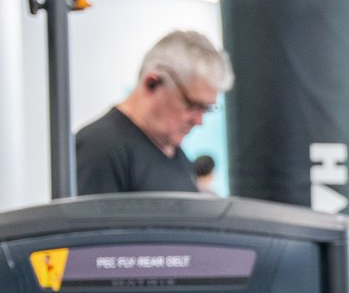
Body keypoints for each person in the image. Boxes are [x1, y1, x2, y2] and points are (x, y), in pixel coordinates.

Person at [75, 30, 233, 196]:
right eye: (192, 105)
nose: (199, 120)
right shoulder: (101, 148)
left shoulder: (175, 154)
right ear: (152, 83)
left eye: (206, 109)